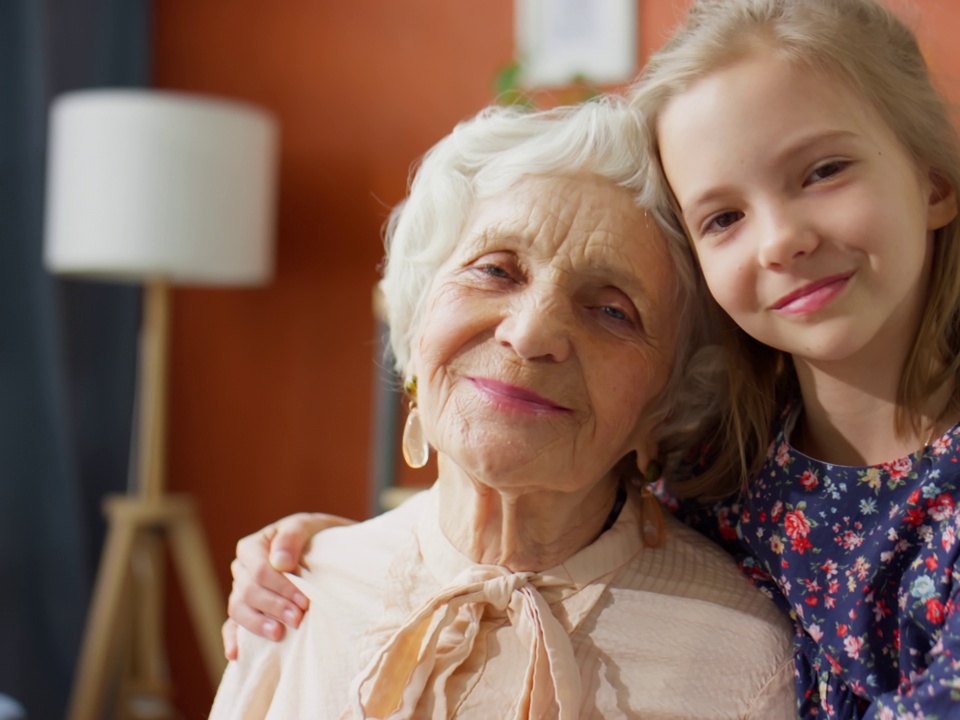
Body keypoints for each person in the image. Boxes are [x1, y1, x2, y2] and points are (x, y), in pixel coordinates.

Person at [225, 1, 960, 717]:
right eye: (723, 216)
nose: (781, 240)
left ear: (933, 182)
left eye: (823, 171)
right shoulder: (726, 450)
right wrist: (330, 551)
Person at [210, 97, 800, 718]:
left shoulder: (739, 659)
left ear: (666, 403)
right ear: (417, 323)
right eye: (495, 271)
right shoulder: (292, 595)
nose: (531, 333)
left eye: (610, 310)